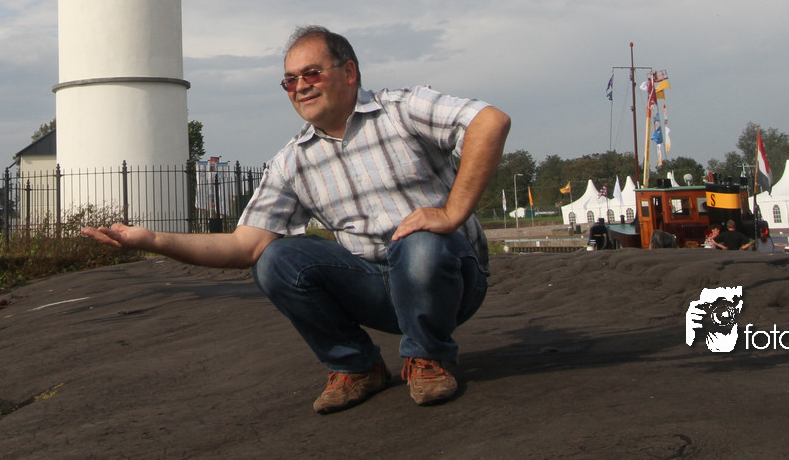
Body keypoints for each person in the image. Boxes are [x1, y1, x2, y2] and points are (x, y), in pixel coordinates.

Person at [82, 25, 511, 415]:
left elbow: (489, 122)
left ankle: (428, 357)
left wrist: (451, 212)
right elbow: (244, 246)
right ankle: (357, 367)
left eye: (312, 74)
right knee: (275, 259)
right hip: (377, 287)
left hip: (449, 278)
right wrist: (152, 240)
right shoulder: (292, 162)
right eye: (290, 80)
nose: (300, 86)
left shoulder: (402, 109)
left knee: (418, 240)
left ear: (349, 72)